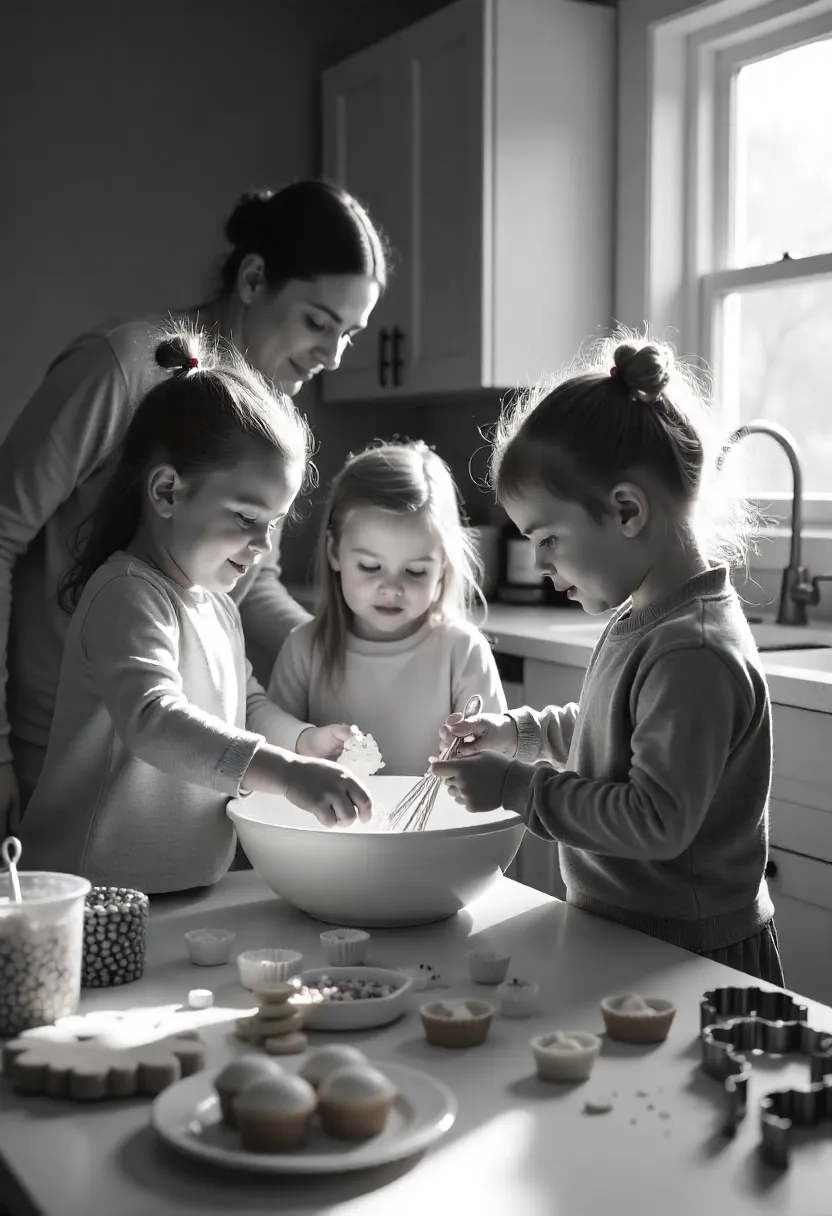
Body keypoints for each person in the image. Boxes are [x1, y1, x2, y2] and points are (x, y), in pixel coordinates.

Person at [0, 180, 386, 830]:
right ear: (255, 278)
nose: (333, 354)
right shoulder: (122, 368)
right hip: (55, 751)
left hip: (184, 770)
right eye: (319, 322)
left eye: (349, 333)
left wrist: (340, 651)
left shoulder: (270, 420)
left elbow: (247, 583)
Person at [434, 333, 783, 984]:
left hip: (689, 958)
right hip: (636, 939)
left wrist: (513, 787)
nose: (539, 563)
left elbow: (654, 820)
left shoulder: (694, 648)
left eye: (549, 539)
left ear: (625, 510)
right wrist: (519, 734)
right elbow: (606, 731)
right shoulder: (647, 616)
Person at [18, 331, 372, 894]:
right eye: (244, 517)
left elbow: (246, 707)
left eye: (273, 524)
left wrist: (304, 742)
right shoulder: (127, 594)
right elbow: (154, 720)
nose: (261, 544)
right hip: (94, 891)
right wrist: (287, 774)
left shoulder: (214, 605)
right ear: (166, 492)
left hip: (183, 887)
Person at [269, 440, 506, 776]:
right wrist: (305, 742)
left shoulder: (462, 652)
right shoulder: (304, 649)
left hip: (436, 827)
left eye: (415, 571)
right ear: (334, 551)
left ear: (443, 567)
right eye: (369, 566)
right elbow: (270, 755)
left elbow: (495, 765)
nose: (392, 588)